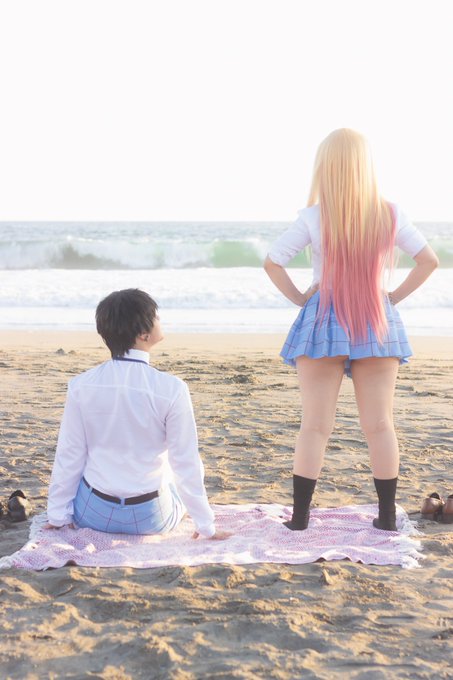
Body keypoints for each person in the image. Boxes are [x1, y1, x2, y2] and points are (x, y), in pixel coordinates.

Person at [264, 128, 439, 532]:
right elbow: (428, 260)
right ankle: (387, 517)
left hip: (323, 320)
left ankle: (300, 520)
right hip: (376, 319)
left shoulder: (313, 216)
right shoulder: (390, 213)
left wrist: (300, 298)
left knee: (314, 426)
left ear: (325, 167)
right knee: (380, 425)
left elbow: (273, 261)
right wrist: (391, 298)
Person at [46, 288, 230, 541]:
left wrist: (57, 517)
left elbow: (70, 453)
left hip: (94, 514)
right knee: (174, 466)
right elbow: (185, 461)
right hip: (151, 517)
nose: (160, 321)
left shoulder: (80, 385)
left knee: (88, 463)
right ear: (144, 334)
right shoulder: (172, 388)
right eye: (156, 317)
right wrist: (206, 525)